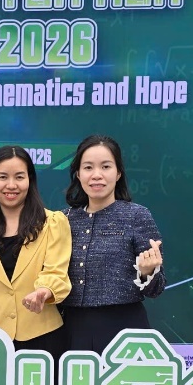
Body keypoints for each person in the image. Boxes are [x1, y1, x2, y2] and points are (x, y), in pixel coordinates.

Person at [60, 135, 165, 355]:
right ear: (78, 174)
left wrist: (147, 272)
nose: (96, 175)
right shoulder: (62, 220)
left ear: (118, 173)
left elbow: (156, 289)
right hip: (71, 329)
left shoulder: (137, 216)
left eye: (106, 166)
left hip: (124, 330)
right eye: (88, 167)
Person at [0, 145, 72, 355]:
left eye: (19, 177)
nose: (11, 185)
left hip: (44, 338)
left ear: (30, 180)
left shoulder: (53, 223)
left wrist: (44, 291)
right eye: (2, 177)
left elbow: (56, 272)